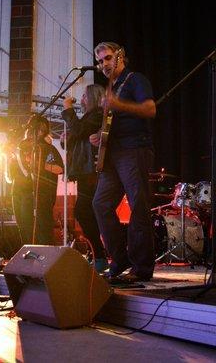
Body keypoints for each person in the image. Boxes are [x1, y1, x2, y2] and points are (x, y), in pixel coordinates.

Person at [90, 41, 157, 283]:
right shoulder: (112, 88)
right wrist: (100, 136)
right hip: (113, 153)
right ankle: (120, 260)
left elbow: (150, 109)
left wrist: (119, 105)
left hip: (134, 148)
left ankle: (141, 267)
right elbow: (112, 124)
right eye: (100, 62)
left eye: (108, 58)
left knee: (138, 205)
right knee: (100, 203)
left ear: (121, 56)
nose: (104, 64)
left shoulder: (134, 80)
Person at [61, 84, 108, 272]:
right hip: (83, 171)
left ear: (93, 98)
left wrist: (67, 108)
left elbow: (80, 130)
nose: (81, 100)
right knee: (85, 212)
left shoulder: (97, 114)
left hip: (90, 172)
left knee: (84, 211)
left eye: (84, 96)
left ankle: (100, 255)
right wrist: (67, 139)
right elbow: (78, 136)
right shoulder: (89, 117)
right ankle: (98, 255)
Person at [15, 115, 64, 245]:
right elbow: (13, 175)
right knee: (25, 228)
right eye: (37, 128)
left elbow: (60, 169)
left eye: (43, 129)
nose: (40, 132)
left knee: (43, 230)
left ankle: (46, 260)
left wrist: (41, 165)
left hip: (42, 194)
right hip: (21, 192)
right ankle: (29, 259)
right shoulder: (22, 148)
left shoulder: (47, 148)